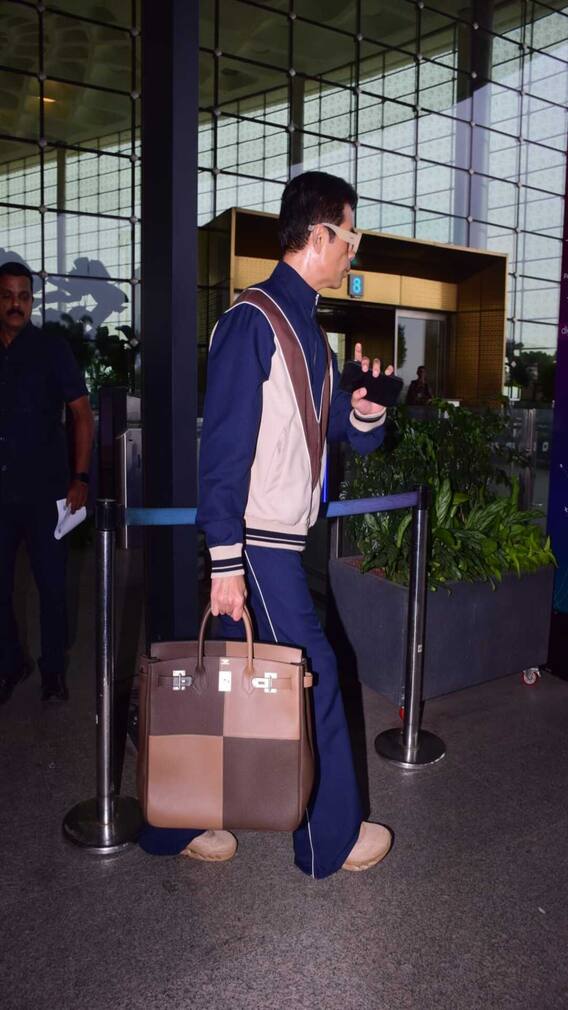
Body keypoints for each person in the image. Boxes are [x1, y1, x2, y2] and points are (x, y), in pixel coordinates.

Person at [139, 171, 394, 878]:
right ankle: (328, 841)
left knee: (221, 679)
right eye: (350, 237)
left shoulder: (309, 331)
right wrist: (226, 562)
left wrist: (366, 413)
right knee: (315, 673)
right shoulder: (253, 322)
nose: (353, 252)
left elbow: (338, 432)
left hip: (279, 541)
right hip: (257, 544)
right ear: (319, 236)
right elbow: (222, 452)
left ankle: (172, 824)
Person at [0, 261, 94, 704]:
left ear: (31, 301)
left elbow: (81, 415)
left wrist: (79, 477)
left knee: (53, 587)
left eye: (22, 296)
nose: (15, 304)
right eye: (7, 296)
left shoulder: (52, 350)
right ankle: (11, 662)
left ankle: (53, 671)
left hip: (46, 492)